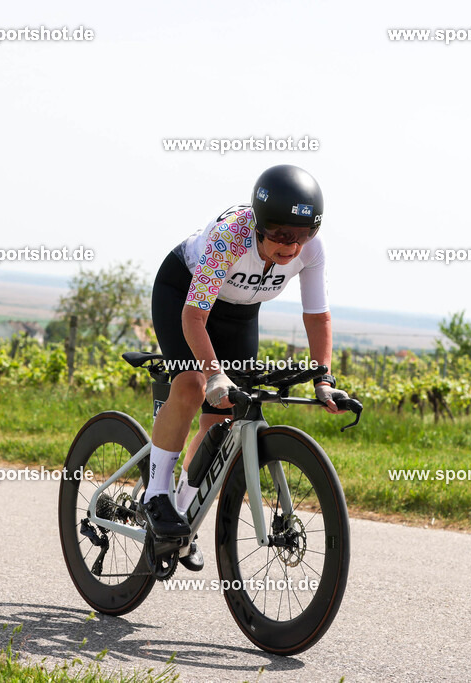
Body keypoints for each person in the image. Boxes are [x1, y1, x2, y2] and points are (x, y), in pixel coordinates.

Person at [142, 164, 348, 570]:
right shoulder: (230, 238)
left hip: (239, 312)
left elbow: (317, 316)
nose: (293, 245)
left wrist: (323, 378)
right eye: (282, 234)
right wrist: (214, 372)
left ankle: (181, 517)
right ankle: (155, 497)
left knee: (223, 415)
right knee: (192, 386)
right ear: (259, 224)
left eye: (304, 235)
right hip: (185, 296)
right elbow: (194, 320)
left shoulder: (311, 250)